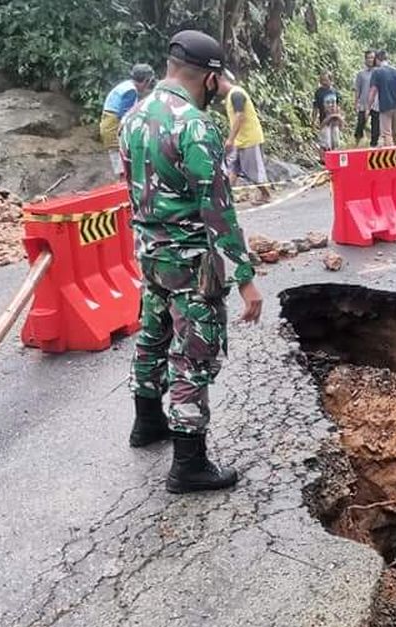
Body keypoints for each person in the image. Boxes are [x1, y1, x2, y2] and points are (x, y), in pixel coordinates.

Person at [119, 30, 264, 494]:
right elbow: (217, 209)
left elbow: (133, 191)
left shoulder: (133, 118)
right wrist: (245, 278)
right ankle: (189, 464)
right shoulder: (195, 126)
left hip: (149, 254)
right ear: (211, 77)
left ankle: (147, 424)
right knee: (192, 354)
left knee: (153, 335)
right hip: (189, 261)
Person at [221, 71, 270, 202]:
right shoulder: (231, 96)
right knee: (233, 169)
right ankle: (226, 197)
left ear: (221, 80)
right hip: (239, 140)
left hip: (249, 139)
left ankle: (266, 194)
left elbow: (239, 116)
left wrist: (230, 139)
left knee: (253, 172)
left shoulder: (236, 94)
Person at [100, 64, 156, 176]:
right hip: (113, 125)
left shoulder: (126, 85)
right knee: (121, 159)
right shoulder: (131, 92)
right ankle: (124, 184)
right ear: (146, 81)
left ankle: (124, 181)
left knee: (120, 157)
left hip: (109, 122)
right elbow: (126, 116)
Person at [368, 50, 396, 146]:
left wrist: (368, 107)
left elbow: (372, 92)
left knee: (386, 134)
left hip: (385, 107)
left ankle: (392, 158)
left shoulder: (377, 73)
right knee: (394, 133)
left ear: (378, 60)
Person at [352, 50, 379, 147]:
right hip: (363, 103)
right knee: (360, 125)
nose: (370, 60)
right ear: (365, 60)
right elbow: (357, 89)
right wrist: (356, 103)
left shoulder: (379, 72)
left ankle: (373, 146)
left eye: (372, 57)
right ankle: (356, 145)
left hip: (376, 104)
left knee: (376, 127)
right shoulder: (361, 74)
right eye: (368, 57)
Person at [312, 72, 344, 151]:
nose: (324, 82)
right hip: (324, 120)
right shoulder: (318, 92)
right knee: (326, 143)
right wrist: (313, 120)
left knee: (335, 142)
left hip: (335, 121)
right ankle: (324, 159)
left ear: (331, 80)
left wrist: (341, 120)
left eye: (326, 80)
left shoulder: (335, 92)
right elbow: (315, 107)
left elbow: (339, 107)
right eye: (322, 80)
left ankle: (334, 159)